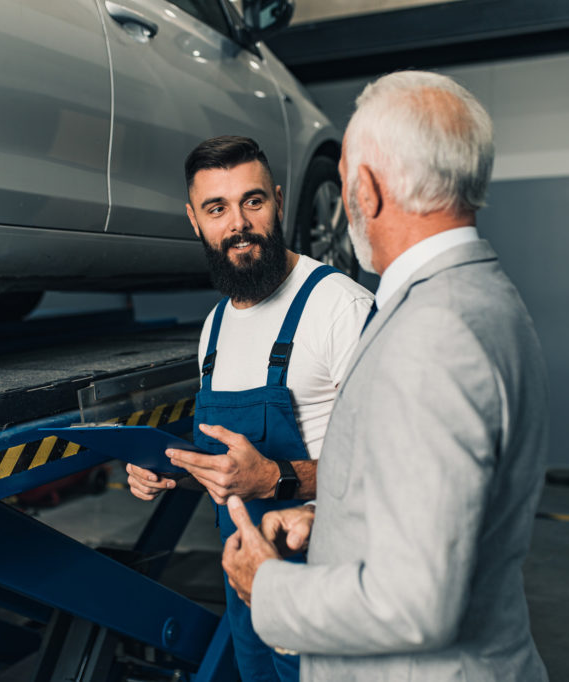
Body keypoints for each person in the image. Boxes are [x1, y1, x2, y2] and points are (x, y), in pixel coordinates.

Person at [219, 71, 551, 681]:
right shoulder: (479, 298)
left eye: (345, 177)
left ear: (365, 189)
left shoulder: (435, 334)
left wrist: (267, 589)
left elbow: (416, 605)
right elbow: (444, 514)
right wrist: (335, 526)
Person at [125, 135, 373, 682]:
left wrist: (274, 478)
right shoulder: (215, 327)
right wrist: (175, 475)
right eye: (217, 208)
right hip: (247, 586)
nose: (238, 223)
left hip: (330, 590)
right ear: (195, 220)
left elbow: (392, 475)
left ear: (278, 202)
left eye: (253, 201)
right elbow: (231, 475)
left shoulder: (340, 308)